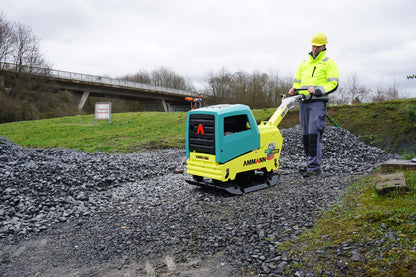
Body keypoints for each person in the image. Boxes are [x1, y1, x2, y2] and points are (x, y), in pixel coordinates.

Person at [288, 32, 339, 177]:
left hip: (317, 102)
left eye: (317, 46)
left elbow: (333, 83)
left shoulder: (329, 63)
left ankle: (314, 166)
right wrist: (294, 90)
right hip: (303, 102)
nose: (315, 48)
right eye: (313, 45)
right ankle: (310, 163)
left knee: (314, 133)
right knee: (306, 134)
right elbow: (297, 81)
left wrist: (316, 91)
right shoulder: (304, 63)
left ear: (324, 46)